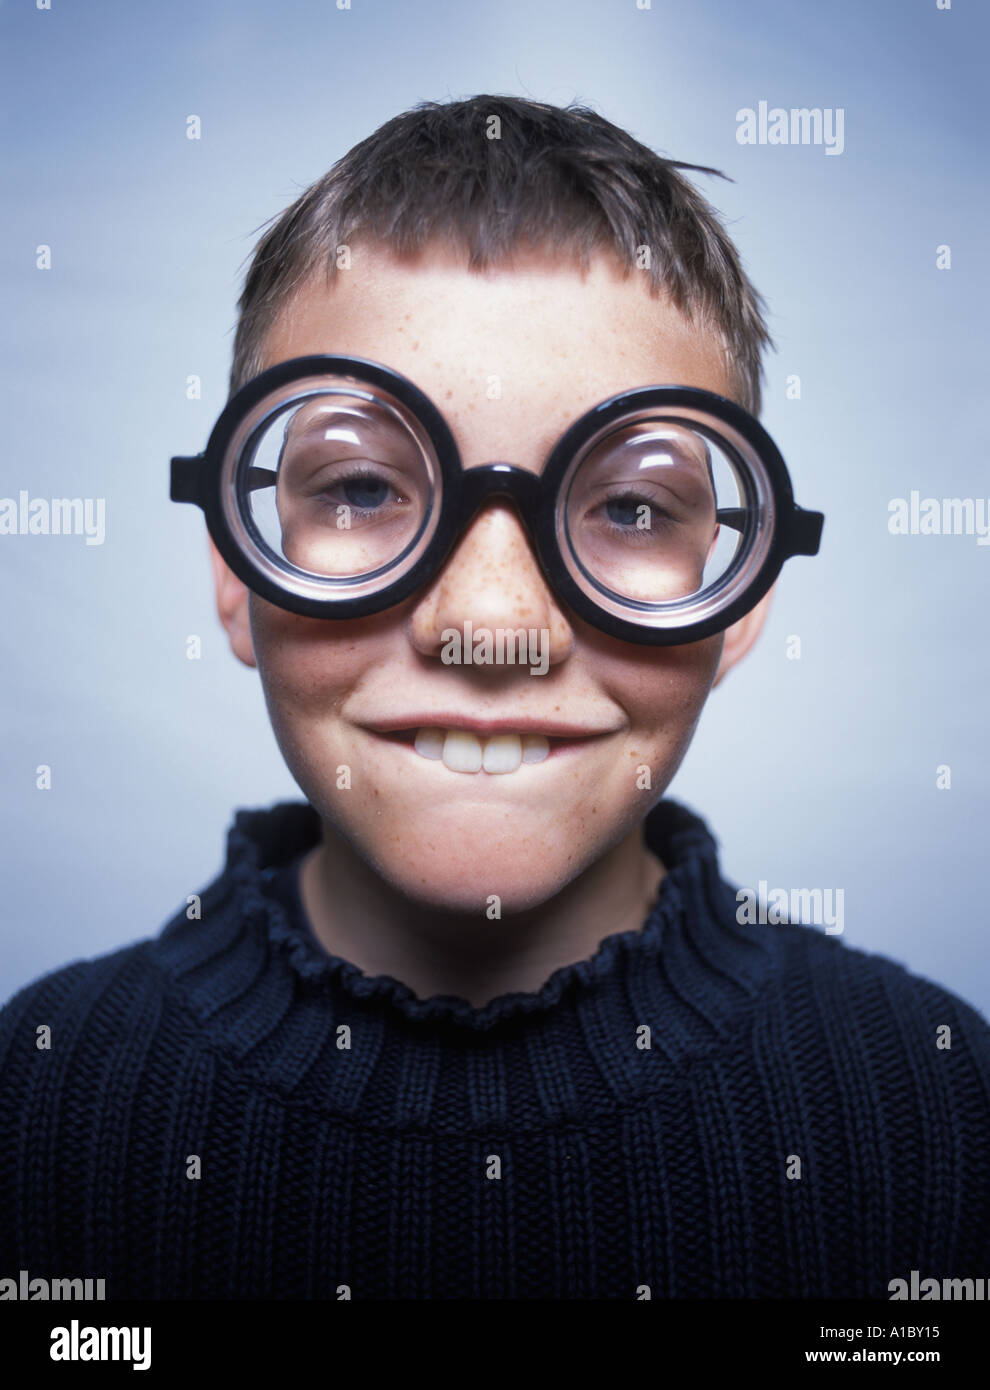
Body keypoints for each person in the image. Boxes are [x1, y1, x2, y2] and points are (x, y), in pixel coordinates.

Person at [1, 95, 988, 1301]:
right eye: (362, 487)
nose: (492, 625)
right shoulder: (36, 1101)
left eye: (631, 507)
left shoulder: (935, 1109)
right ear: (233, 566)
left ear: (739, 594)